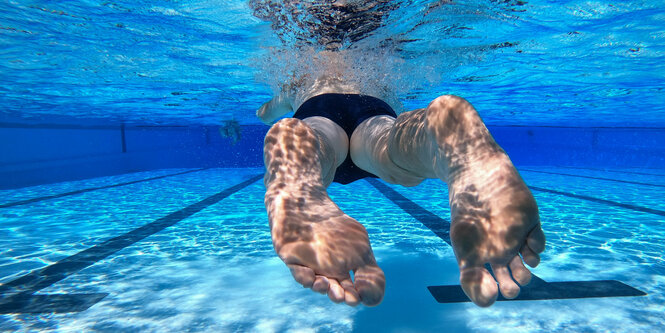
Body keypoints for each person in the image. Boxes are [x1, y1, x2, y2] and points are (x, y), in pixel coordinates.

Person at [256, 73, 546, 308]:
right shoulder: (382, 67)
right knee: (392, 147)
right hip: (373, 111)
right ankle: (440, 137)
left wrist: (267, 110)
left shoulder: (296, 78)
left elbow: (266, 112)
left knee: (315, 139)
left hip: (317, 109)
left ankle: (295, 166)